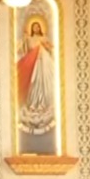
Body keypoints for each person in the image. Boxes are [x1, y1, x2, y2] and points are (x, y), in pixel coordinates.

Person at [17, 17, 57, 148]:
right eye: (33, 27)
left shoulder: (43, 38)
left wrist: (45, 46)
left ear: (40, 28)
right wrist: (23, 40)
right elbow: (22, 50)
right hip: (32, 65)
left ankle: (42, 104)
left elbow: (52, 49)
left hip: (43, 65)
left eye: (37, 27)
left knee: (42, 83)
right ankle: (33, 104)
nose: (35, 29)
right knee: (33, 84)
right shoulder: (28, 39)